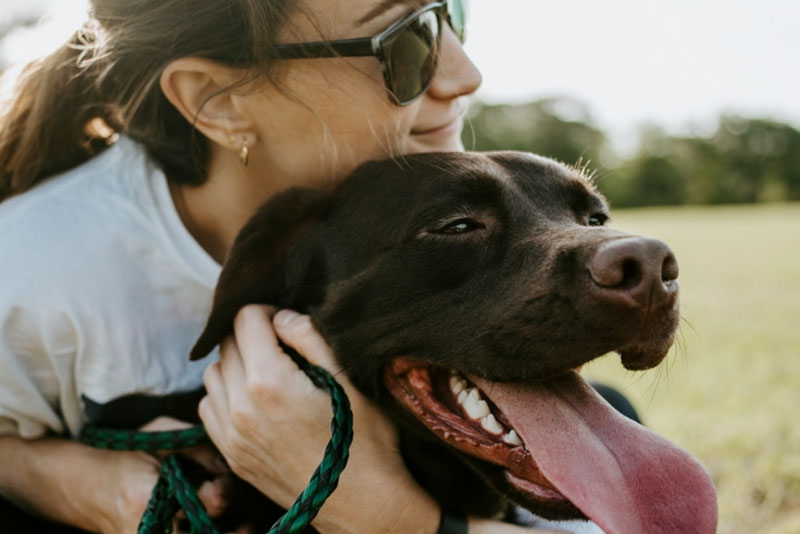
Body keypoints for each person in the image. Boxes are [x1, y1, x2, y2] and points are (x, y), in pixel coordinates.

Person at [0, 0, 583, 533]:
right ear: (216, 101)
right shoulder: (30, 267)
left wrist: (381, 511)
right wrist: (71, 483)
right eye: (407, 40)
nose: (464, 74)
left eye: (449, 12)